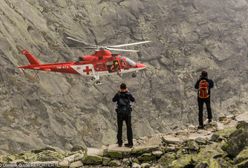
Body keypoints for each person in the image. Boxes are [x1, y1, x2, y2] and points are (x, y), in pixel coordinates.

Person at [112, 83, 135, 147]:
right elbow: (133, 100)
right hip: (127, 113)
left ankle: (119, 143)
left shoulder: (118, 94)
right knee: (129, 128)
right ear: (126, 88)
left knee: (120, 128)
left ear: (120, 88)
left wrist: (118, 92)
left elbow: (113, 100)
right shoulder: (128, 94)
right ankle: (130, 143)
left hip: (120, 113)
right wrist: (128, 92)